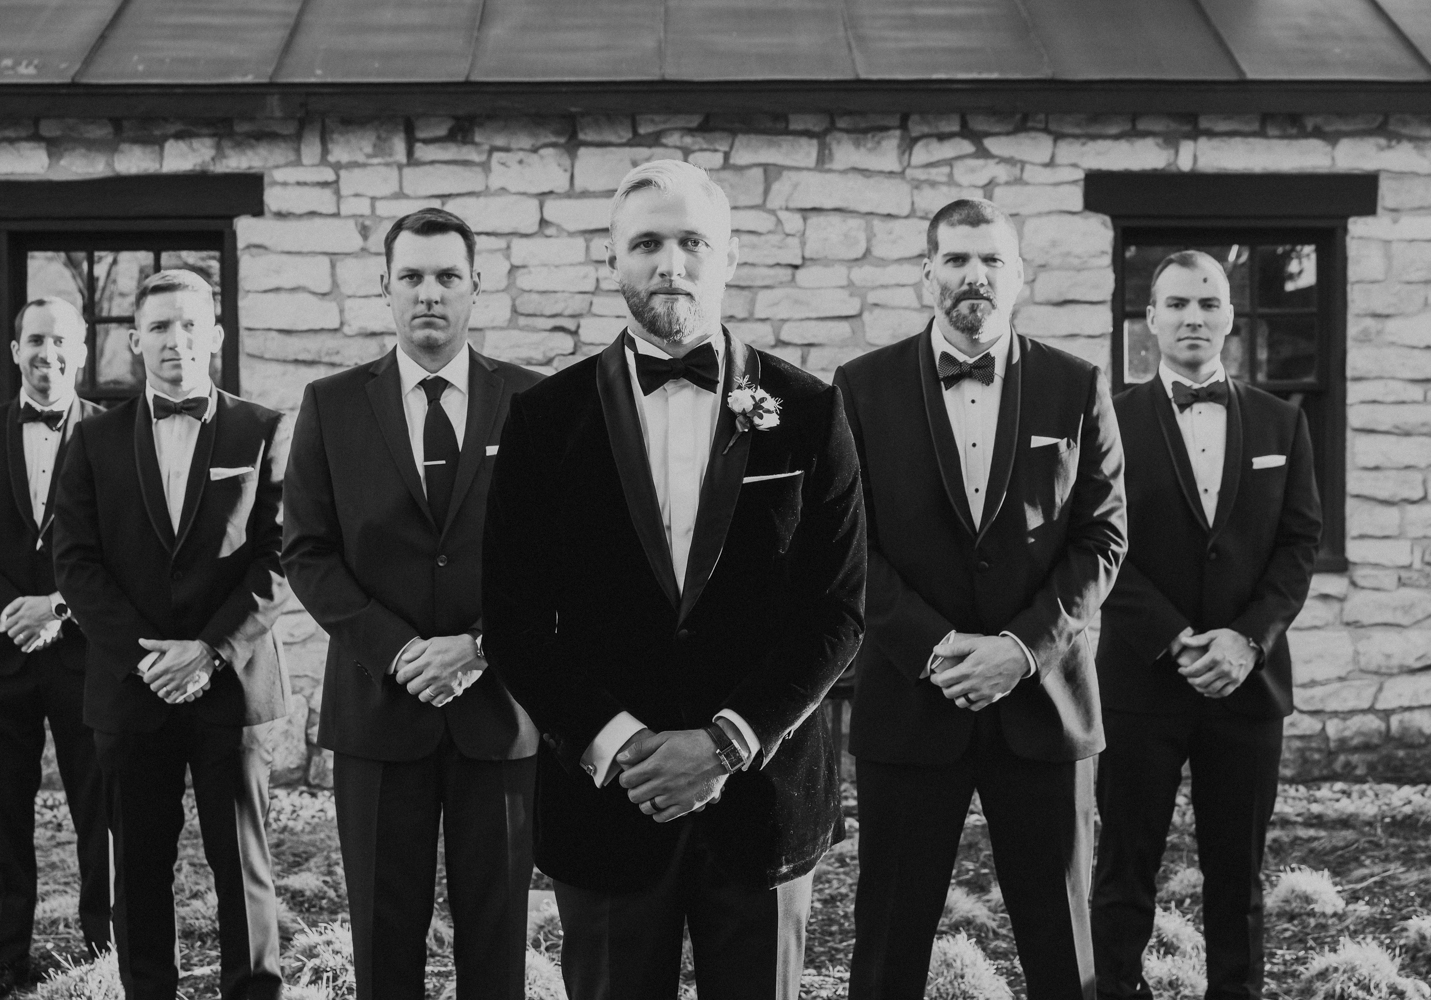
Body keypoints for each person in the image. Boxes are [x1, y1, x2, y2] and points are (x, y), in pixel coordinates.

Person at [482, 159, 866, 1000]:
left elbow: (837, 610)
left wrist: (727, 742)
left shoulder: (809, 410)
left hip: (763, 801)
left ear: (730, 256)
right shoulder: (545, 421)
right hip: (608, 804)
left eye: (692, 241)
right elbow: (511, 618)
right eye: (647, 243)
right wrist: (622, 746)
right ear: (613, 259)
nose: (671, 264)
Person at [836, 198, 1127, 1000]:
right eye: (958, 258)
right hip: (910, 704)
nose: (975, 275)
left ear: (1019, 276)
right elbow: (846, 544)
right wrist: (935, 649)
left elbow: (1102, 538)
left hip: (1045, 705)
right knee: (887, 950)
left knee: (1064, 954)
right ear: (927, 271)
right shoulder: (861, 387)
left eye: (993, 260)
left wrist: (1021, 651)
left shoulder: (1077, 385)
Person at [282, 207, 542, 1000]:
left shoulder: (532, 401)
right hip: (377, 709)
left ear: (475, 287)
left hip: (499, 711)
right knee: (383, 938)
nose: (430, 293)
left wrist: (482, 645)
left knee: (496, 938)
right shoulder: (331, 405)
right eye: (413, 277)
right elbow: (307, 551)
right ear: (385, 288)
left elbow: (558, 555)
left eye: (447, 277)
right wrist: (397, 649)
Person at [53, 269, 289, 1000]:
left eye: (189, 324)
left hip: (234, 685)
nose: (174, 340)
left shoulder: (263, 430)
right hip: (133, 688)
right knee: (140, 868)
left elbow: (282, 555)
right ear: (134, 340)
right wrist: (148, 659)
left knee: (242, 866)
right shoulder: (92, 440)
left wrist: (210, 651)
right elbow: (76, 561)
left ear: (215, 335)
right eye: (158, 326)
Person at [1090, 250, 1321, 1000]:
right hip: (1140, 682)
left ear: (1229, 318)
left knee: (1237, 877)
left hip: (1247, 688)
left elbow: (1299, 543)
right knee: (1124, 869)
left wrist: (1247, 639)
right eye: (1178, 303)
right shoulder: (1107, 421)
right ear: (1150, 318)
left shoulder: (1284, 421)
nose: (1194, 317)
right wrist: (1174, 637)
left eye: (1209, 303)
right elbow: (1094, 540)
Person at [0, 297, 108, 998]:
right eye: (34, 340)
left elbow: (122, 545)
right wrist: (13, 610)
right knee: (3, 817)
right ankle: (8, 959)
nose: (47, 353)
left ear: (82, 350)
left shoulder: (114, 434)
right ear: (14, 351)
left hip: (86, 656)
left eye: (60, 341)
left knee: (101, 810)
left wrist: (58, 607)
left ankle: (105, 950)